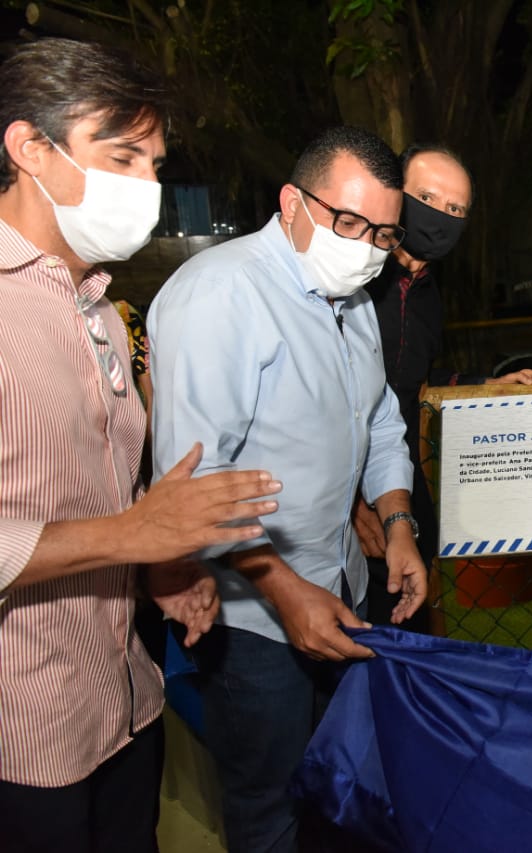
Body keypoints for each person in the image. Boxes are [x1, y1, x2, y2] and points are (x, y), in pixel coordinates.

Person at [0, 38, 281, 852]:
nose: (148, 188)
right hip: (23, 742)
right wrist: (134, 534)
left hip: (123, 707)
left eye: (154, 164)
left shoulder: (99, 312)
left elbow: (85, 500)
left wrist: (155, 564)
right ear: (29, 149)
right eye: (122, 156)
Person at [148, 125, 429, 853]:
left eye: (384, 232)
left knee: (342, 791)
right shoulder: (220, 294)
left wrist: (398, 525)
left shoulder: (355, 302)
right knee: (269, 807)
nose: (366, 245)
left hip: (343, 588)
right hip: (255, 622)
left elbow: (381, 424)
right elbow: (192, 483)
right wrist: (280, 586)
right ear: (292, 202)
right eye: (349, 222)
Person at [357, 143, 532, 633]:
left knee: (414, 622)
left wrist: (487, 383)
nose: (439, 216)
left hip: (400, 475)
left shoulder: (429, 294)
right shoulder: (352, 278)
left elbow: (412, 381)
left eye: (455, 209)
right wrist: (349, 507)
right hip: (340, 487)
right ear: (394, 194)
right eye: (426, 197)